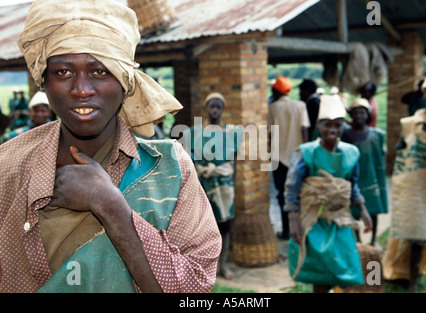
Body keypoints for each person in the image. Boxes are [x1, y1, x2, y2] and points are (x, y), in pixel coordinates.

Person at [0, 0, 222, 293]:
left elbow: (194, 288)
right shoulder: (9, 165)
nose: (81, 89)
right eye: (63, 72)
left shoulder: (169, 169)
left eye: (100, 71)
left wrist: (111, 206)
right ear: (43, 81)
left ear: (125, 81)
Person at [284, 94, 372, 293]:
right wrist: (293, 220)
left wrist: (363, 209)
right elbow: (292, 188)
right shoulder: (306, 152)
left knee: (344, 265)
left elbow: (352, 184)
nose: (332, 130)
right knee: (320, 271)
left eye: (337, 125)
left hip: (339, 218)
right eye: (327, 125)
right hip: (314, 220)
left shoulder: (350, 153)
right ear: (318, 125)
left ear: (343, 127)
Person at [383, 69, 426, 293]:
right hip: (419, 188)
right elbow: (402, 149)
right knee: (416, 235)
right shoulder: (410, 123)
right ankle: (412, 283)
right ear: (423, 94)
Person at [183, 92, 242, 280]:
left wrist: (233, 186)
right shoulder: (195, 133)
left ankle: (222, 266)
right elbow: (187, 158)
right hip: (203, 184)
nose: (215, 110)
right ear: (206, 109)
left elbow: (234, 164)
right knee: (204, 226)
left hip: (224, 186)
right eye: (212, 106)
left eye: (218, 107)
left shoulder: (231, 135)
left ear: (222, 110)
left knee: (225, 226)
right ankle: (205, 267)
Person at [342, 98, 388, 246]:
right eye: (356, 113)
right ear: (351, 116)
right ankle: (358, 239)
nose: (359, 116)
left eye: (362, 112)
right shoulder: (347, 135)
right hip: (356, 176)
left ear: (367, 115)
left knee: (372, 208)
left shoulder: (376, 135)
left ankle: (373, 240)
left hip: (371, 176)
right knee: (354, 207)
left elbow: (381, 156)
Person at [268, 76, 310, 240]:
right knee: (299, 193)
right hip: (298, 157)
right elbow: (304, 131)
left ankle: (287, 230)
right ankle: (302, 229)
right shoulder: (300, 106)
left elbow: (270, 134)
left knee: (282, 195)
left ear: (275, 90)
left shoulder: (272, 107)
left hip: (278, 159)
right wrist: (307, 154)